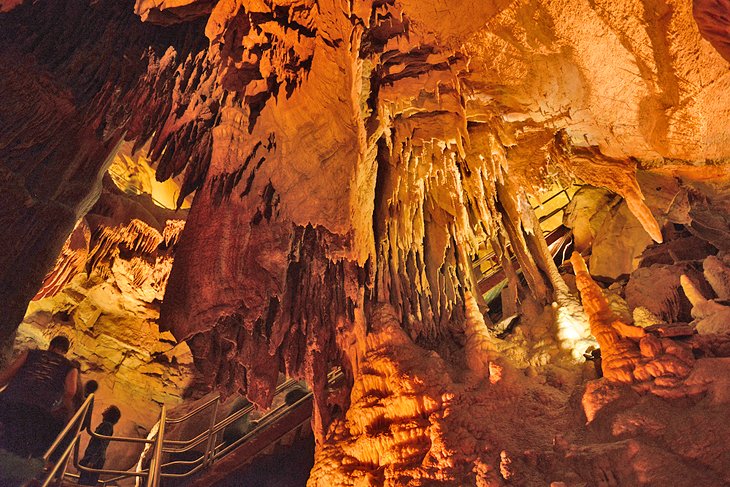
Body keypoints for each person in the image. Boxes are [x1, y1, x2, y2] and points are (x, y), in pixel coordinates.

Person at [0, 335, 78, 458]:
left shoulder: (31, 354)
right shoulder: (69, 367)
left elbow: (9, 372)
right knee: (23, 445)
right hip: (40, 410)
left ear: (51, 346)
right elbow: (70, 391)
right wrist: (65, 408)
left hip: (11, 399)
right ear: (65, 351)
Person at [78, 405, 121, 486]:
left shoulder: (107, 425)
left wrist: (92, 461)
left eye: (107, 408)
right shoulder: (106, 425)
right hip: (95, 457)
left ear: (110, 414)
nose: (105, 408)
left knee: (85, 482)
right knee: (87, 481)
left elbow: (102, 444)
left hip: (94, 457)